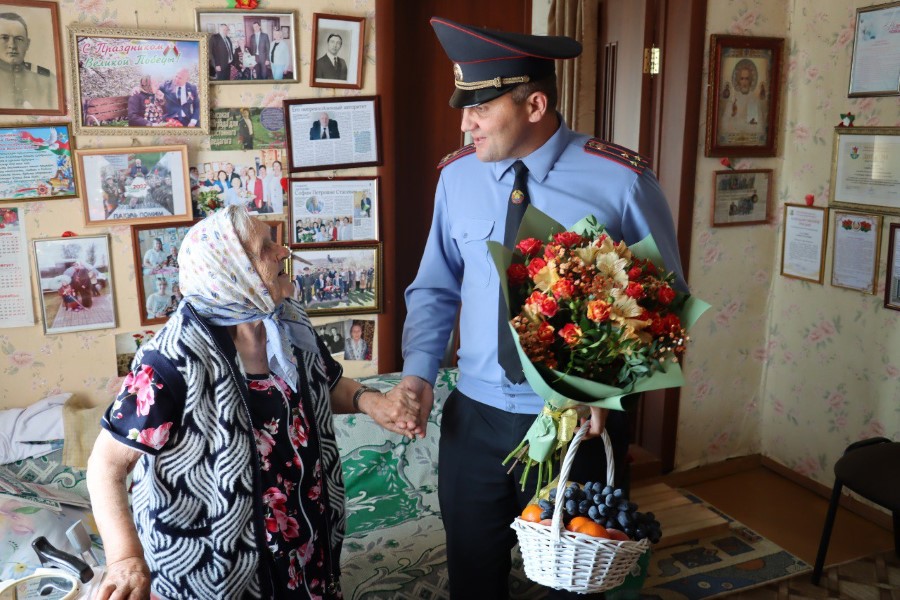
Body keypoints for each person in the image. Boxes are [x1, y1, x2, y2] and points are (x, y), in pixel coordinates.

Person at [399, 18, 688, 600]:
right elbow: (435, 287)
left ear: (534, 105)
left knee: (574, 587)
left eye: (480, 108)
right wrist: (418, 374)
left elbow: (665, 308)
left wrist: (604, 391)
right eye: (464, 107)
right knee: (472, 581)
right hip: (473, 421)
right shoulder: (456, 178)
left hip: (574, 426)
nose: (465, 123)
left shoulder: (622, 181)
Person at [87, 206, 422, 599]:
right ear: (230, 269)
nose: (283, 252)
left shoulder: (287, 321)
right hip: (214, 565)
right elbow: (106, 464)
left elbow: (323, 385)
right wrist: (125, 558)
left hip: (305, 543)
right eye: (266, 247)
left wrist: (371, 401)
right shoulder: (172, 361)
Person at [0, 12, 56, 110]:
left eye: (19, 39)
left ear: (27, 44)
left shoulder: (48, 80)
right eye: (4, 38)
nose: (12, 45)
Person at [719, 59, 765, 140]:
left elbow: (758, 128)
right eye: (742, 78)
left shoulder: (753, 100)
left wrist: (737, 123)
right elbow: (724, 125)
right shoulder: (733, 100)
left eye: (747, 79)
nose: (744, 82)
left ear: (750, 80)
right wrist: (740, 122)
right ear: (738, 80)